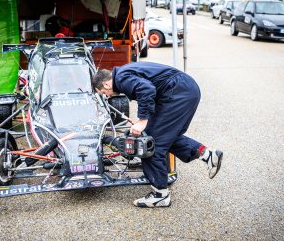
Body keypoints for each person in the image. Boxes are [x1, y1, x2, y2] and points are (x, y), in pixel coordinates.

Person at [93, 62, 223, 208]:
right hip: (183, 90)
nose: (108, 96)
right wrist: (143, 120)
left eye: (104, 93)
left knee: (149, 143)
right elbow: (150, 90)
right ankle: (206, 155)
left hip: (178, 93)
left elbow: (146, 89)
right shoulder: (123, 72)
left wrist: (143, 121)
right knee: (164, 136)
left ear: (106, 85)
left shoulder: (121, 78)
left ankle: (160, 194)